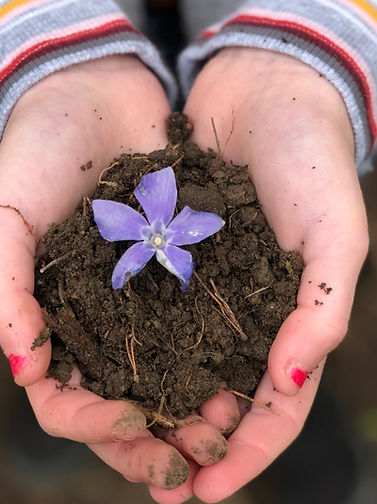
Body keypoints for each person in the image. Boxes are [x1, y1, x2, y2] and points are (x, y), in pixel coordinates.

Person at [0, 0, 375, 502]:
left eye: (161, 238)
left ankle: (278, 387)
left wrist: (302, 52)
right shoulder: (132, 233)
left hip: (252, 23)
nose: (157, 241)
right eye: (154, 240)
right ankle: (70, 396)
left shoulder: (183, 234)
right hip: (91, 29)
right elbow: (122, 269)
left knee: (288, 321)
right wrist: (56, 53)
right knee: (46, 333)